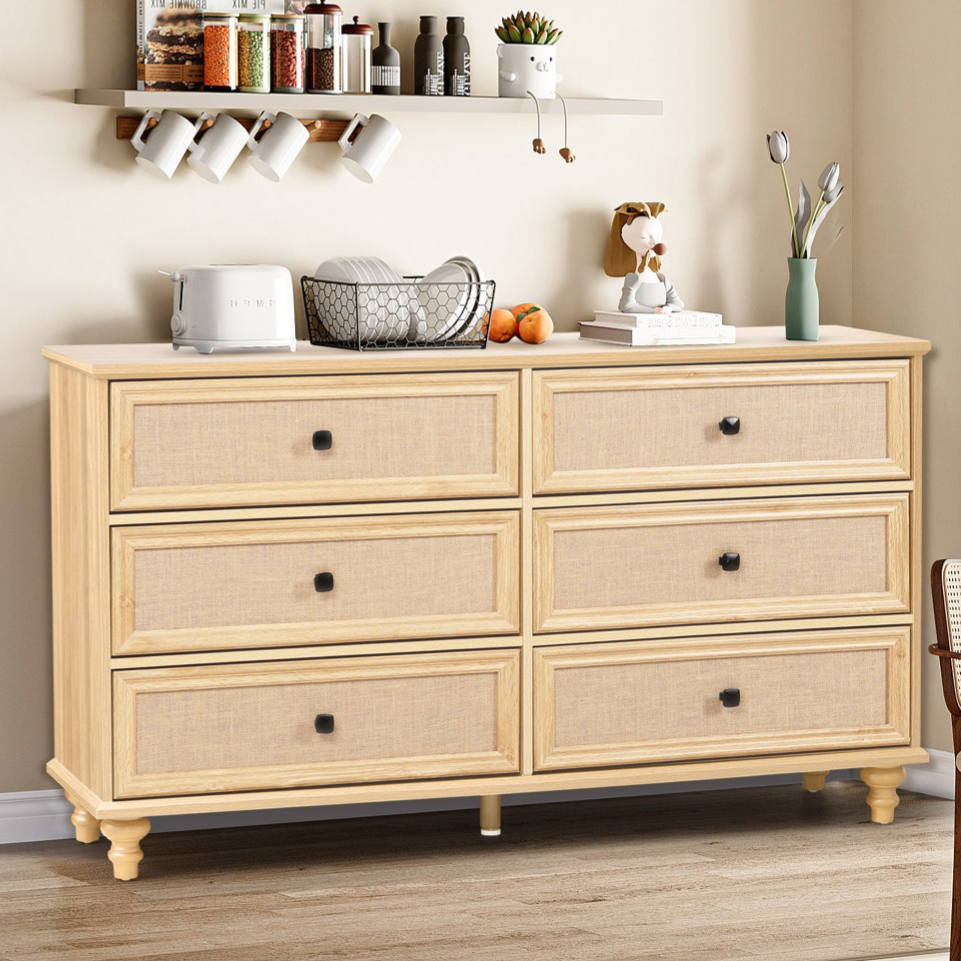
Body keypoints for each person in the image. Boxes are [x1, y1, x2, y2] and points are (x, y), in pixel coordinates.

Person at [604, 201, 684, 314]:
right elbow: (625, 306)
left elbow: (678, 303)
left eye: (657, 236)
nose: (654, 242)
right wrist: (654, 311)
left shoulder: (662, 279)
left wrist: (669, 308)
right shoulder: (633, 279)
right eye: (643, 237)